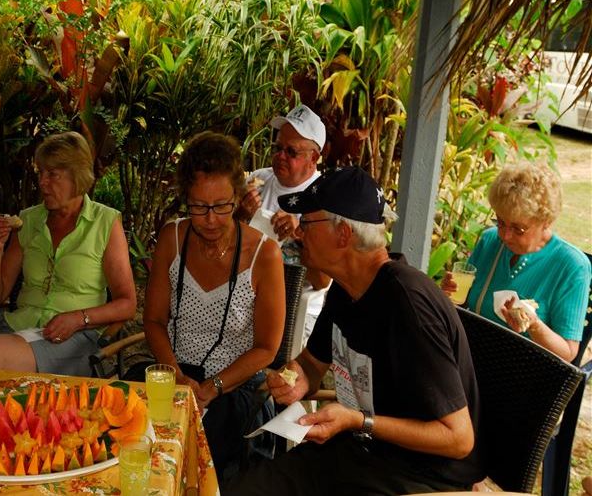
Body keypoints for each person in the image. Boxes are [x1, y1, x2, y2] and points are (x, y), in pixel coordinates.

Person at [229, 167, 483, 495]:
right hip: (358, 453)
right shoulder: (346, 289)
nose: (299, 233)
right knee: (243, 489)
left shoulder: (407, 305)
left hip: (419, 476)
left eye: (307, 223)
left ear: (344, 234)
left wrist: (359, 420)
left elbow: (458, 438)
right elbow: (311, 366)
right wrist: (294, 379)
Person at [137, 131, 285, 481]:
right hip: (173, 373)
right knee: (132, 437)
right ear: (185, 198)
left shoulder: (265, 255)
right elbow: (154, 320)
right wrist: (174, 378)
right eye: (199, 207)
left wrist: (211, 388)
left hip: (233, 385)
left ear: (238, 196)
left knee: (201, 451)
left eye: (222, 205)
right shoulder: (172, 239)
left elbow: (267, 348)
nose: (211, 218)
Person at [0, 131, 137, 375]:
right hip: (18, 331)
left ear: (78, 175)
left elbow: (127, 304)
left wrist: (78, 318)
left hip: (72, 339)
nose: (42, 182)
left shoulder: (104, 222)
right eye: (40, 173)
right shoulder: (29, 220)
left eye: (52, 174)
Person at [442, 163, 591, 362]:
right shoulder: (489, 241)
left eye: (519, 229)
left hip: (522, 374)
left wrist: (534, 324)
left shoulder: (571, 266)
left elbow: (568, 352)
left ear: (546, 222)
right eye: (500, 222)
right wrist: (449, 293)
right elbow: (465, 302)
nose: (505, 235)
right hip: (472, 357)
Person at [242, 104, 332, 338]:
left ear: (313, 158)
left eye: (291, 152)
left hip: (297, 307)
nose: (280, 156)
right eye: (278, 148)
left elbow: (322, 282)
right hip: (247, 298)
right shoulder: (257, 181)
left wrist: (301, 237)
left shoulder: (325, 200)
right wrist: (241, 215)